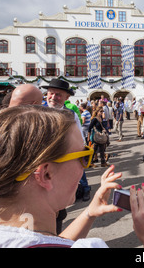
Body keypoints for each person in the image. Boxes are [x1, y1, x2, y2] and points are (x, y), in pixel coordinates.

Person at [0, 105, 144, 248]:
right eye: (84, 156)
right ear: (46, 174)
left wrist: (88, 213)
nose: (86, 166)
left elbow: (45, 242)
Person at [41, 79, 91, 221]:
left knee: (59, 204)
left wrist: (79, 156)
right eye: (51, 93)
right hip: (42, 161)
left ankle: (84, 191)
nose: (53, 97)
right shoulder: (39, 111)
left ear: (66, 97)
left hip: (64, 159)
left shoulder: (71, 114)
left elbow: (79, 136)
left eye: (58, 95)